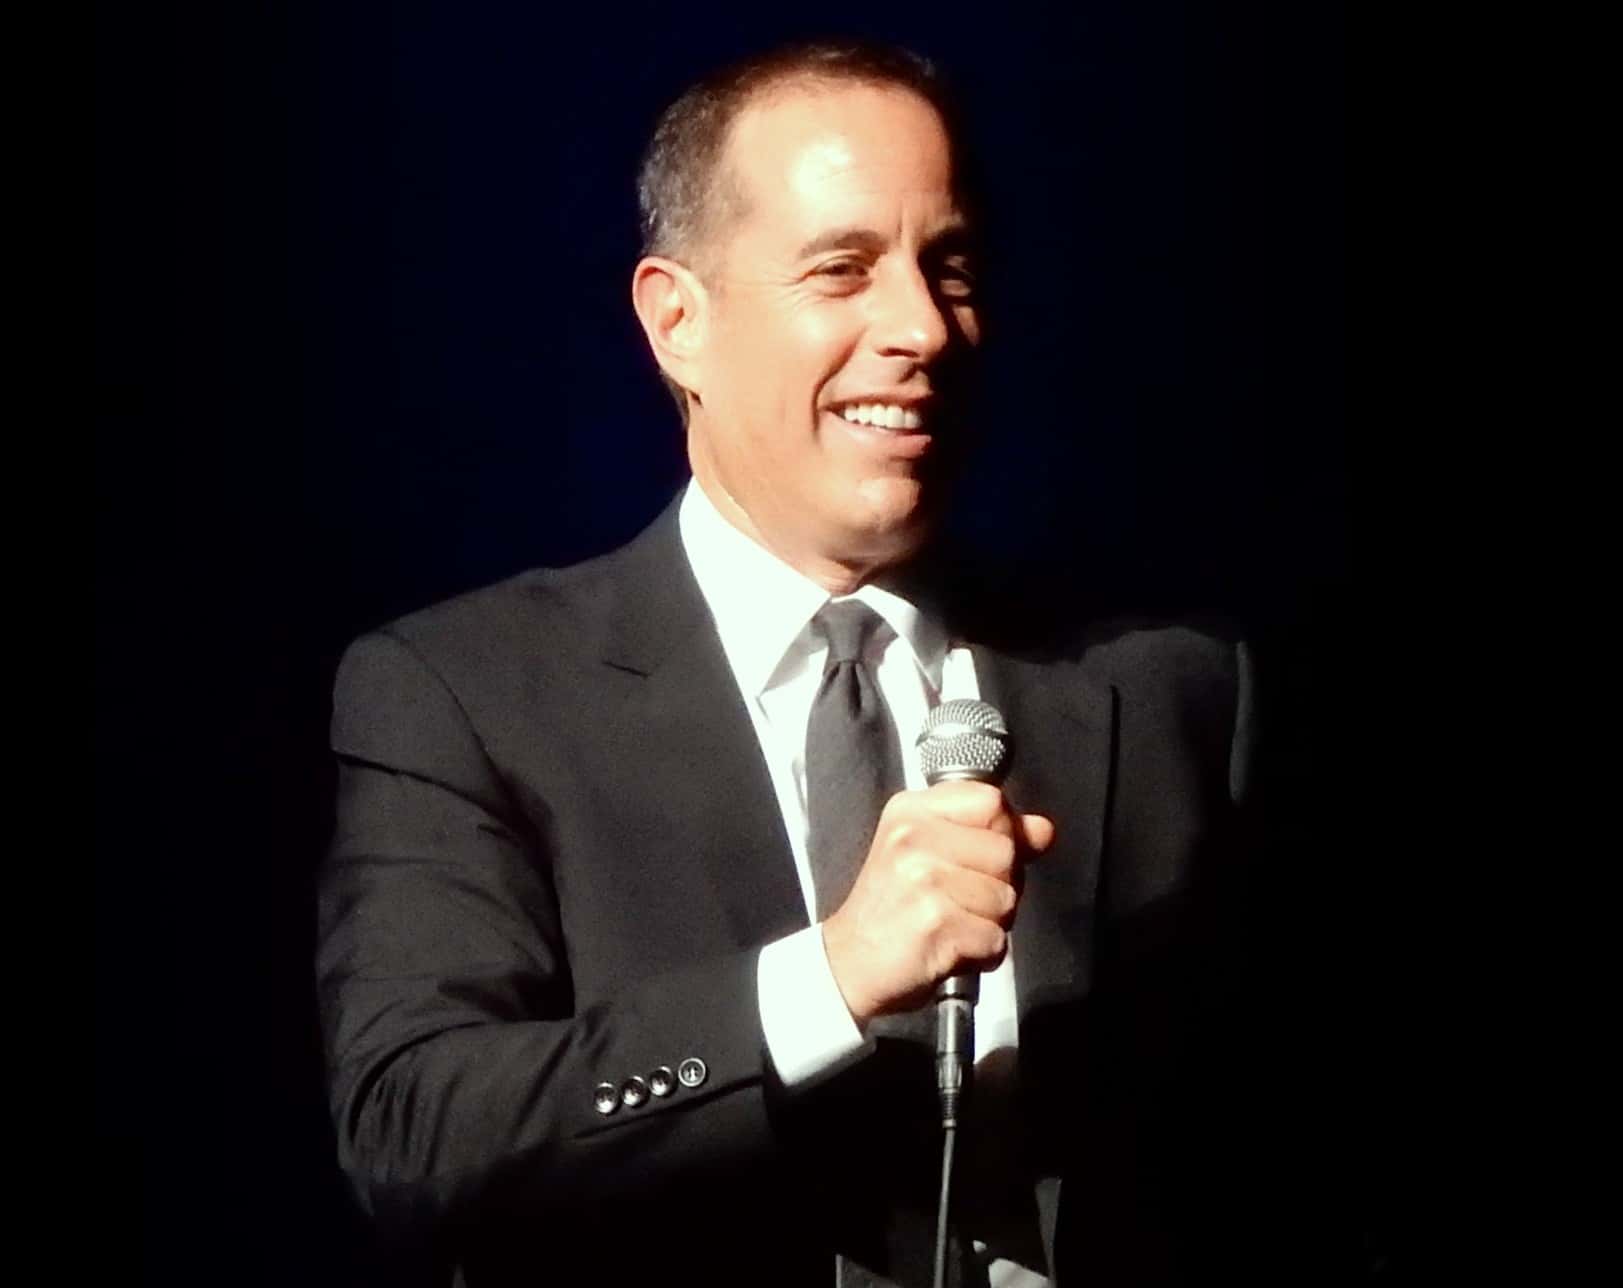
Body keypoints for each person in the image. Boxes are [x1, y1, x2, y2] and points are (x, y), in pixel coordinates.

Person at [318, 40, 1260, 1288]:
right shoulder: (469, 694)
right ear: (678, 323)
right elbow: (416, 1137)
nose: (922, 327)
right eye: (842, 270)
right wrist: (830, 975)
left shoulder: (1170, 684)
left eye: (951, 267)